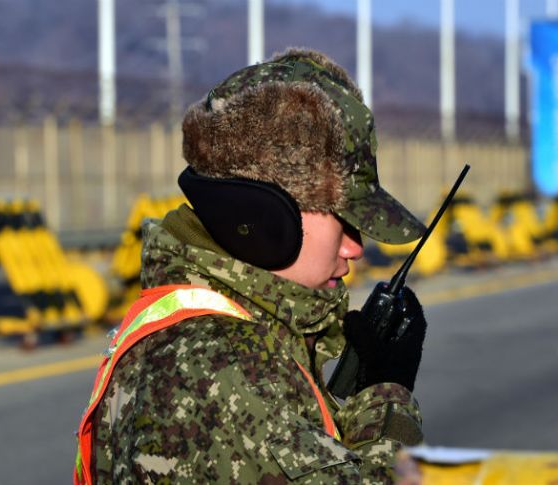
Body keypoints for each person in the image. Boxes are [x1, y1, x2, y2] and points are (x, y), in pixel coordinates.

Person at [75, 47, 430, 484]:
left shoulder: (225, 333)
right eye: (343, 218)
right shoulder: (217, 372)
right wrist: (388, 400)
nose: (356, 248)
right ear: (262, 217)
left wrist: (355, 390)